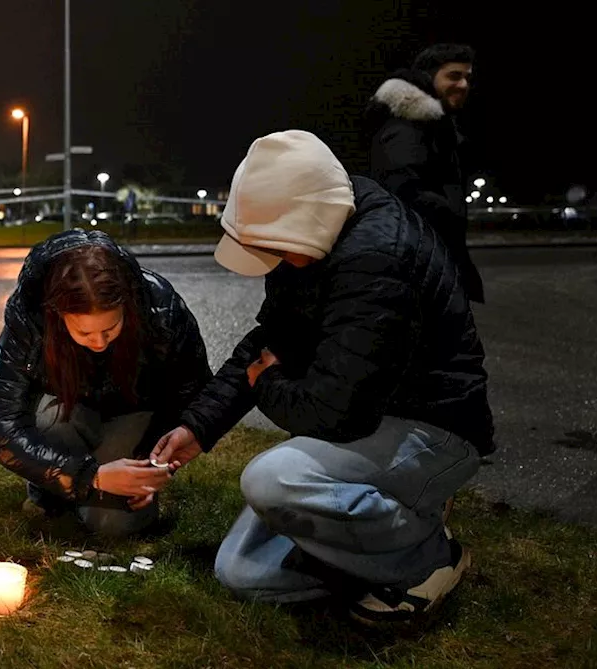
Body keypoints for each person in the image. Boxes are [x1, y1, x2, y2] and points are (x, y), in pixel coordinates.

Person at [152, 130, 494, 625]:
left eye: (277, 249)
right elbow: (269, 342)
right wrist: (198, 428)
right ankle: (380, 549)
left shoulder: (376, 259)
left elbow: (332, 412)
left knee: (271, 479)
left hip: (431, 426)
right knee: (240, 572)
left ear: (303, 222)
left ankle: (428, 555)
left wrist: (266, 382)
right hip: (368, 417)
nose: (274, 262)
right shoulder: (321, 231)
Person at [0, 229, 211, 538]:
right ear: (58, 314)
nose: (100, 343)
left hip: (134, 416)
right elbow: (3, 425)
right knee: (51, 419)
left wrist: (154, 465)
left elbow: (193, 393)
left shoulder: (160, 306)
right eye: (85, 333)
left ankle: (76, 497)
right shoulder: (30, 316)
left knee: (113, 527)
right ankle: (54, 495)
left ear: (127, 305)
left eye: (111, 328)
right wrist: (91, 476)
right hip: (67, 413)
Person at [368, 43, 482, 303]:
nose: (464, 85)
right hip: (417, 271)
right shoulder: (408, 128)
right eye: (454, 76)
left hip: (427, 266)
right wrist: (449, 215)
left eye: (468, 77)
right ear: (427, 77)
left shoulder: (432, 127)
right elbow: (402, 195)